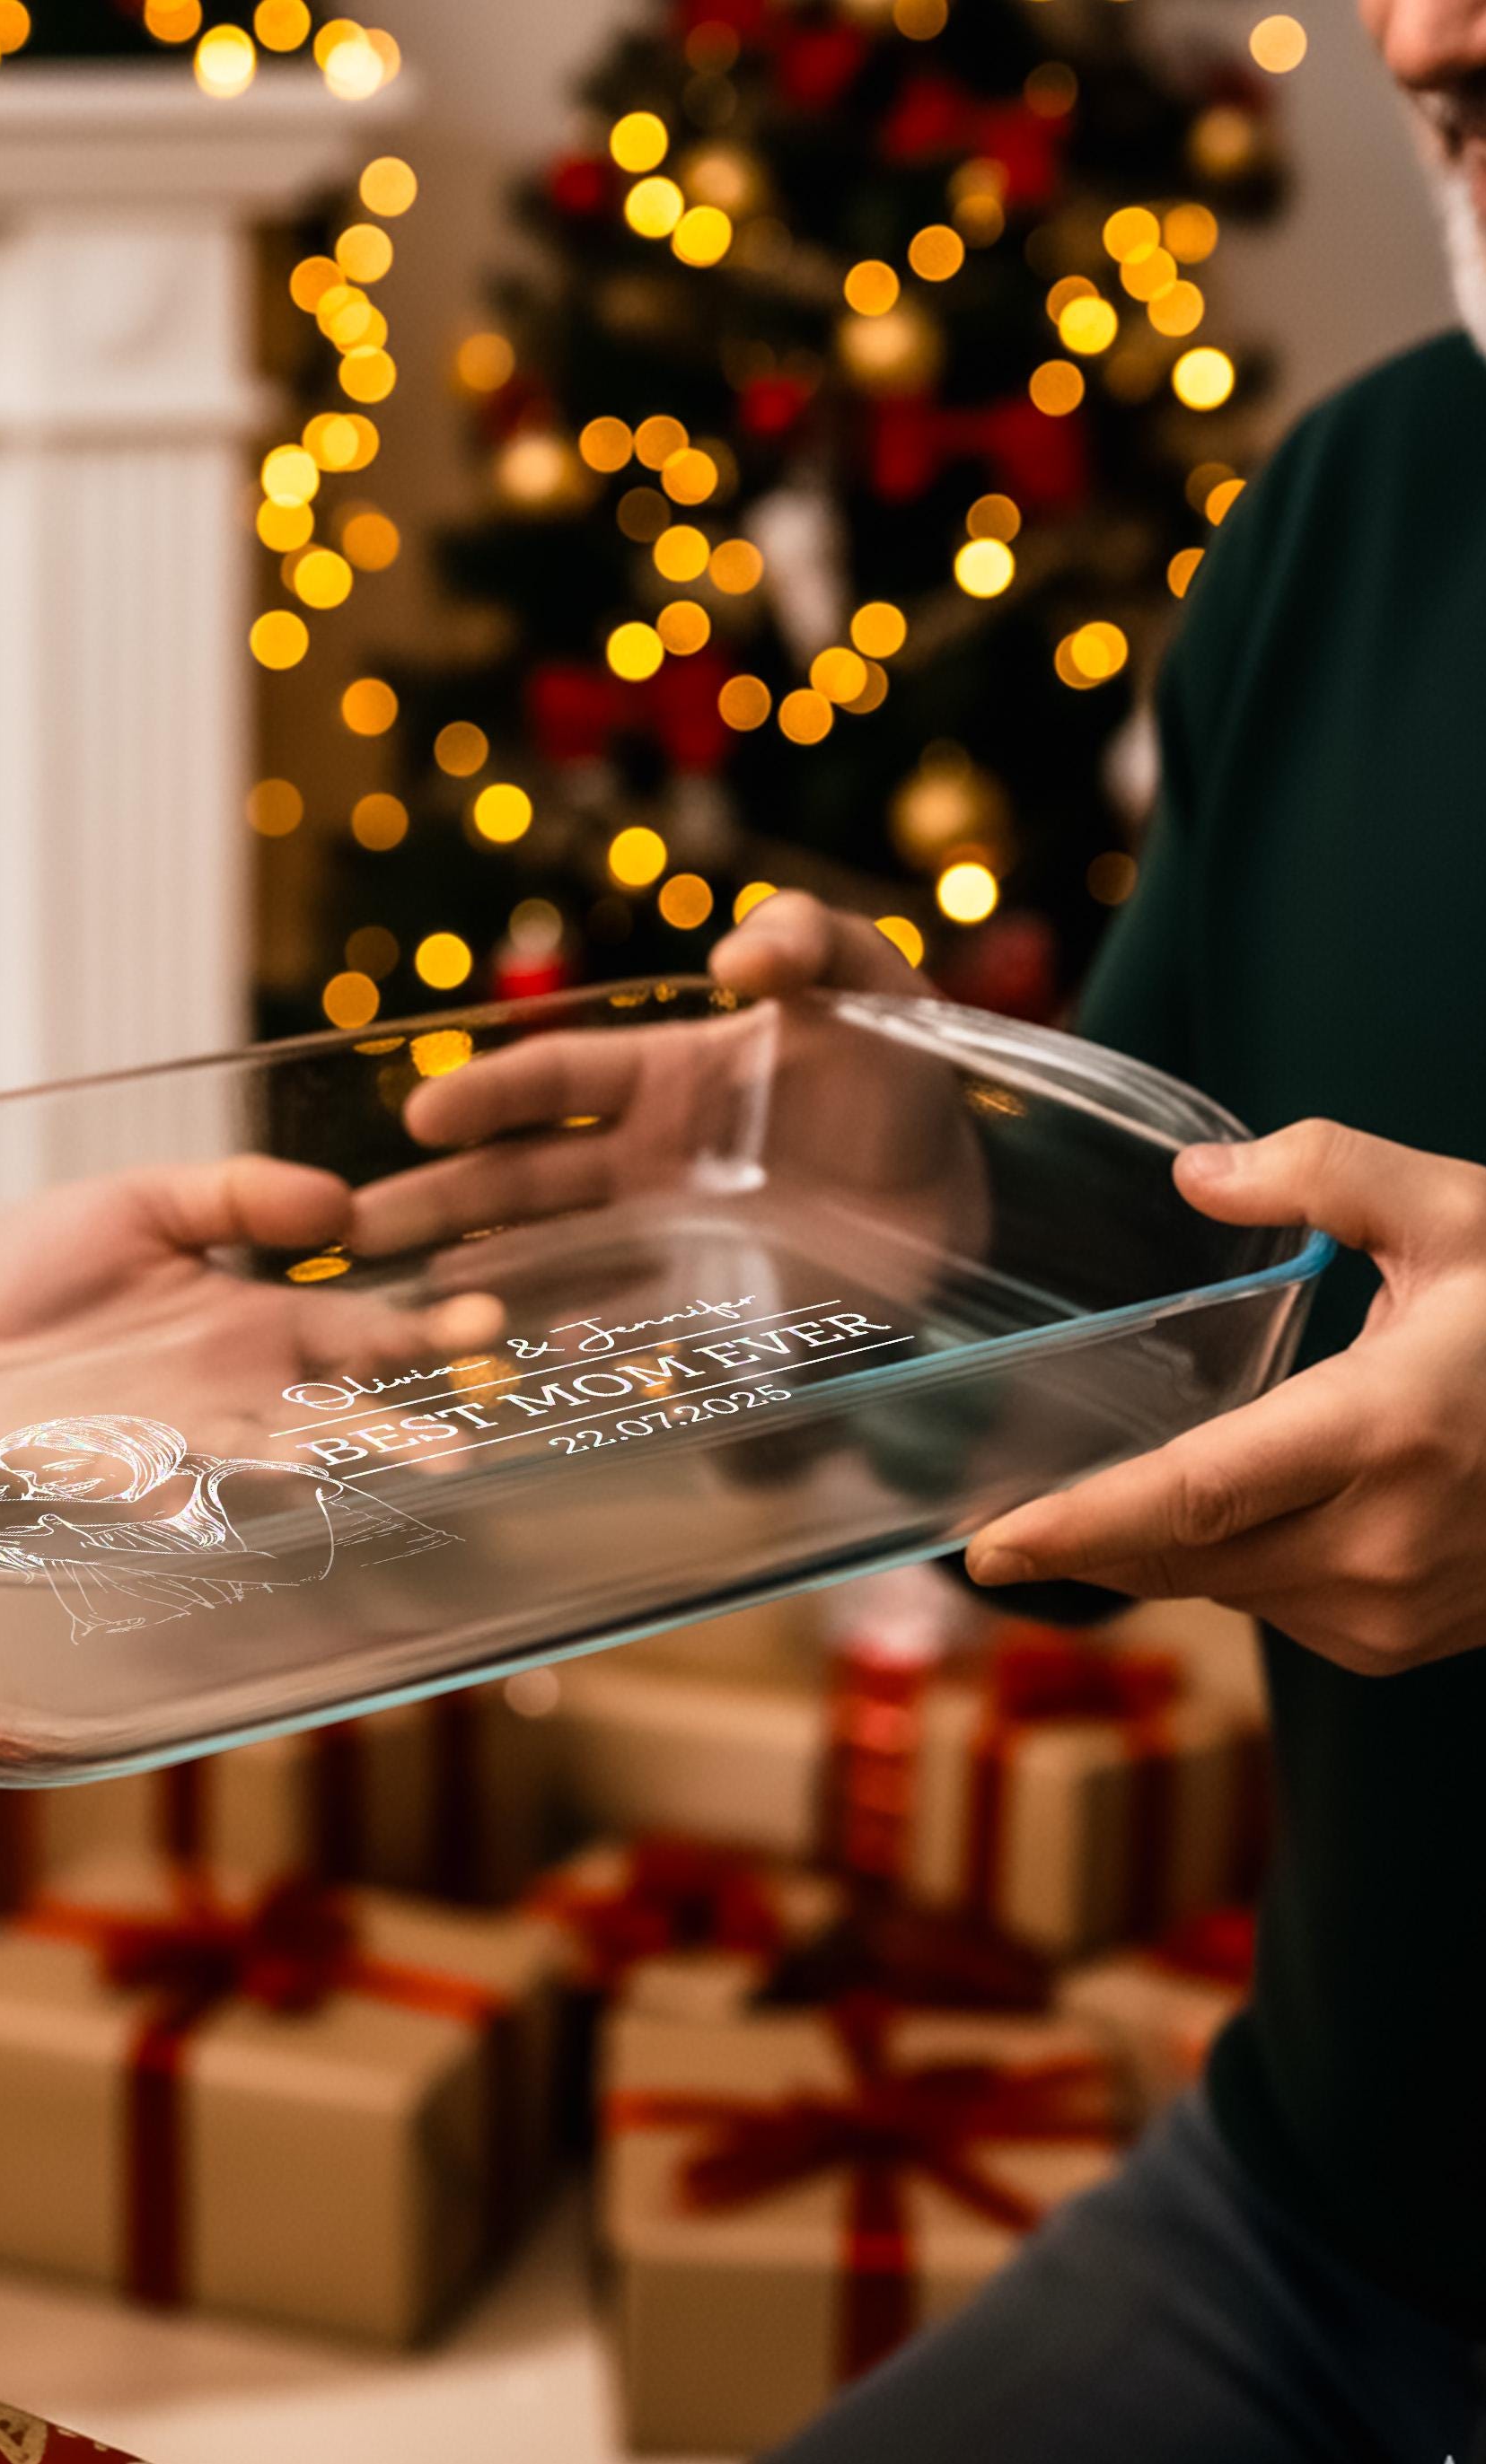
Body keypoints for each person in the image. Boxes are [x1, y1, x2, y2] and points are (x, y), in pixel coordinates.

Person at [706, 5, 1486, 2443]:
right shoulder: (1364, 507)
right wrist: (914, 1217)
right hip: (1334, 2211)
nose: (1422, 29)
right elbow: (1136, 1288)